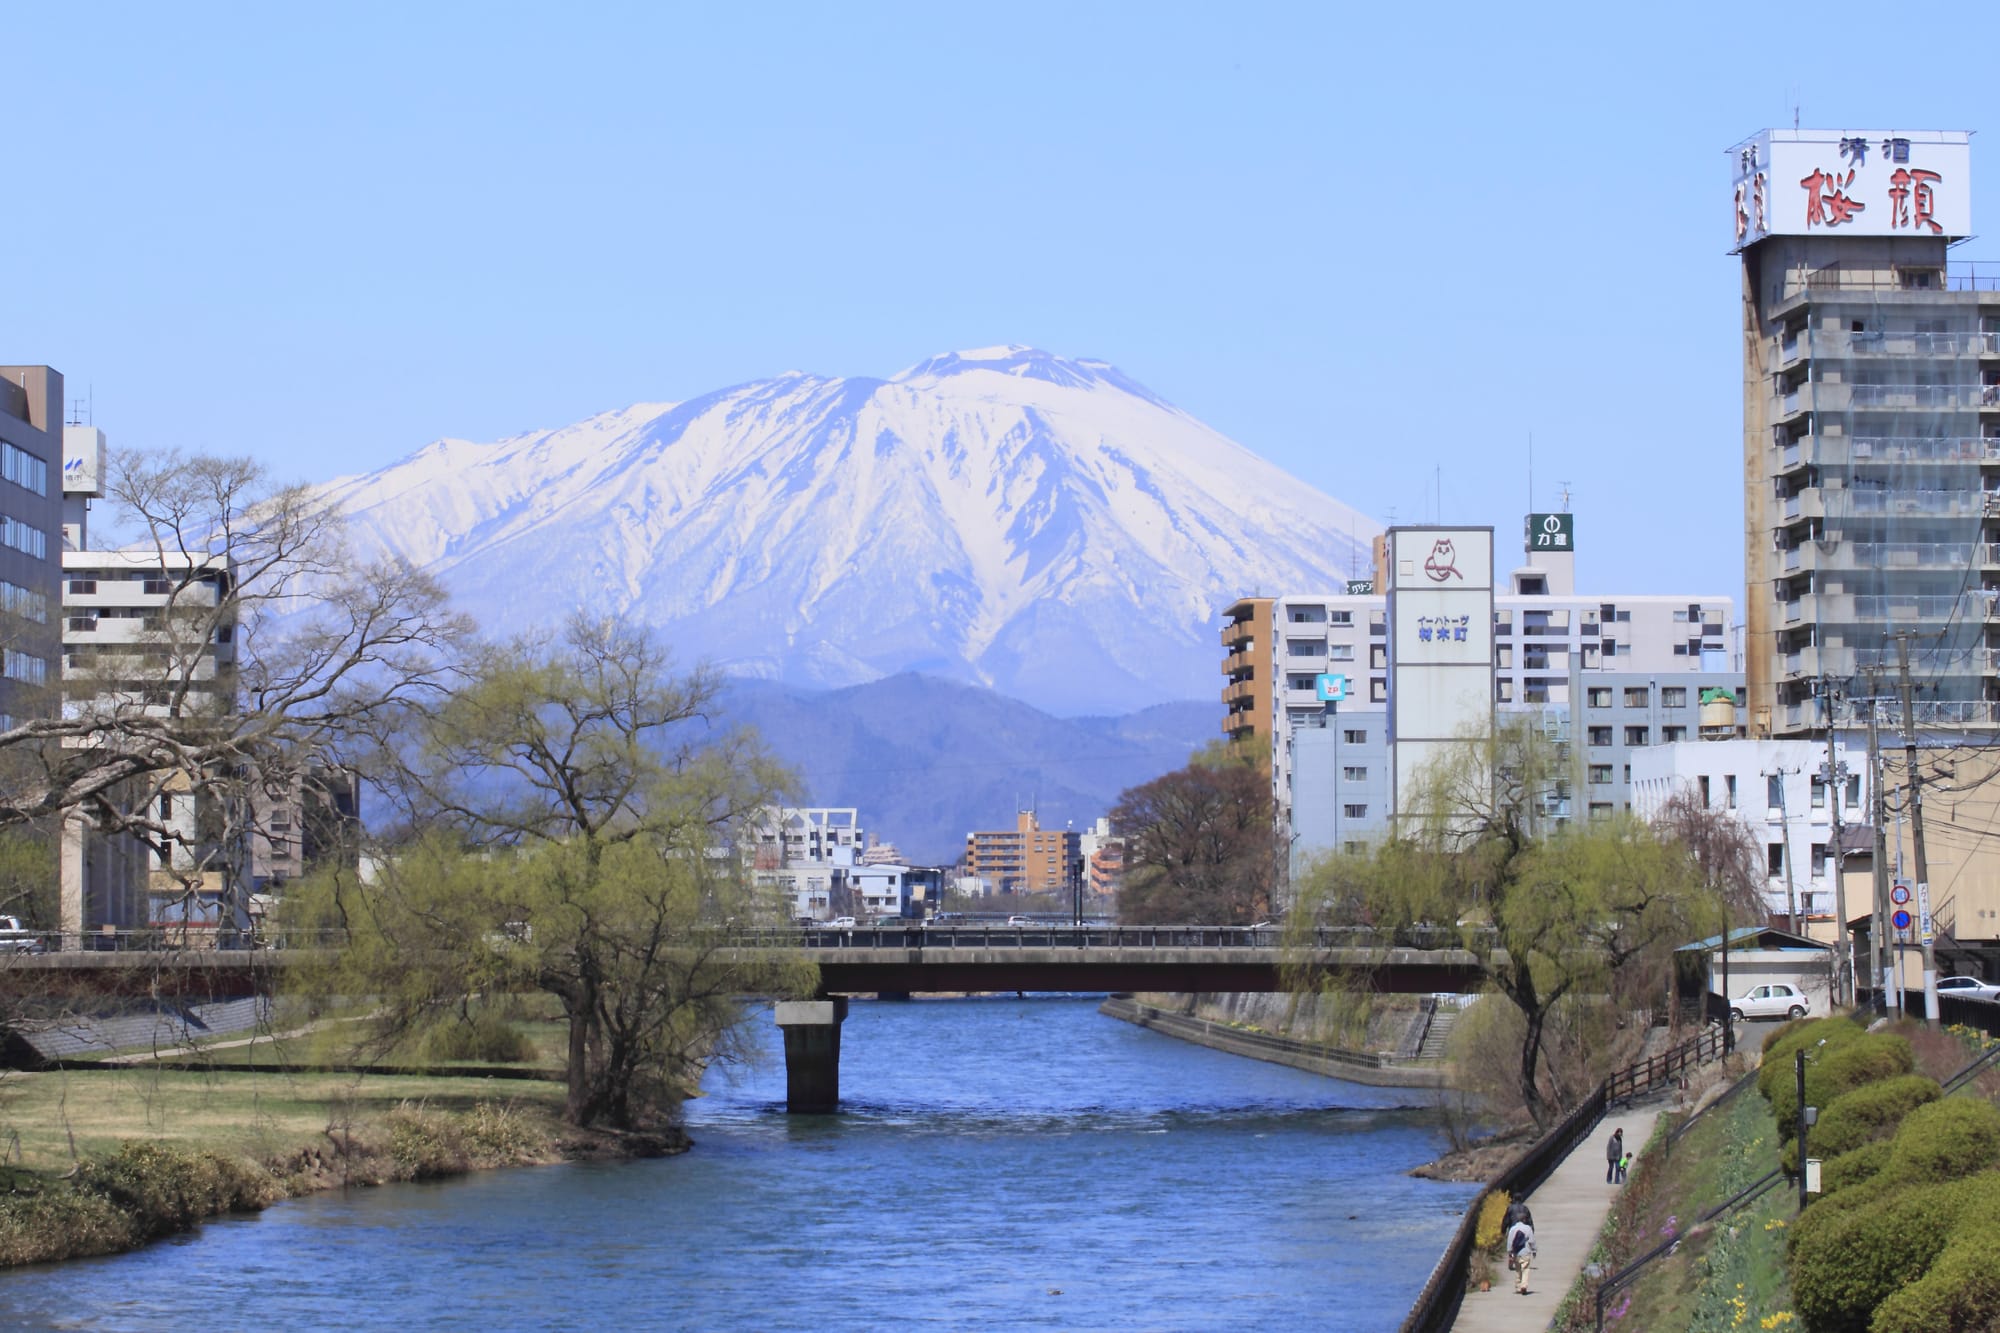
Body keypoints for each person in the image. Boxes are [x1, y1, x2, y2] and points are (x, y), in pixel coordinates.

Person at [1506, 1217, 1536, 1295]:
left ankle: (1518, 1287)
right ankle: (1524, 1286)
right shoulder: (1528, 1228)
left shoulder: (1512, 1229)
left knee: (1518, 1270)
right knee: (1525, 1269)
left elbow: (1509, 1242)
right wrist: (1534, 1250)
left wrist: (1510, 1252)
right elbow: (1532, 1241)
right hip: (1526, 1252)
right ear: (1524, 1220)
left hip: (1516, 1253)